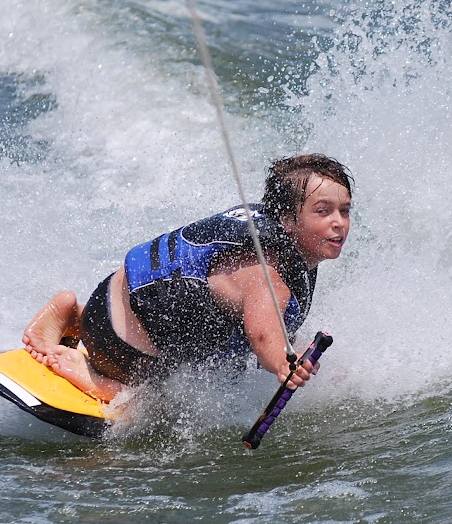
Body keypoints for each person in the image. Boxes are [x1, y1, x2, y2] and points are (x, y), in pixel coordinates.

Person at [22, 154, 353, 403]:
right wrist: (287, 365)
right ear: (287, 220)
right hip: (124, 352)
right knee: (158, 411)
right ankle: (98, 378)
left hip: (106, 303)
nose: (338, 222)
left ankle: (75, 316)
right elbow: (264, 337)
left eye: (345, 210)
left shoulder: (269, 230)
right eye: (323, 211)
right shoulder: (267, 272)